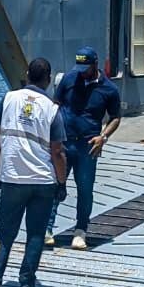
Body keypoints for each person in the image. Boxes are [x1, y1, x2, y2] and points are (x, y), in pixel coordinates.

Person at [0, 58, 69, 287]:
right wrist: (61, 183)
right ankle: (27, 282)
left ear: (27, 74)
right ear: (48, 79)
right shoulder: (52, 109)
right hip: (42, 181)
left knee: (4, 232)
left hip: (12, 176)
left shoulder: (9, 99)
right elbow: (57, 151)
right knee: (35, 234)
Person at [46, 46, 121, 249]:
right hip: (64, 141)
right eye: (79, 67)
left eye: (85, 67)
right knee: (55, 184)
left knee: (85, 189)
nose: (81, 71)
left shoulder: (110, 89)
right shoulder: (69, 79)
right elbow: (55, 104)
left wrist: (103, 137)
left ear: (95, 64)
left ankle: (80, 230)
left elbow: (115, 117)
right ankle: (47, 228)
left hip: (88, 145)